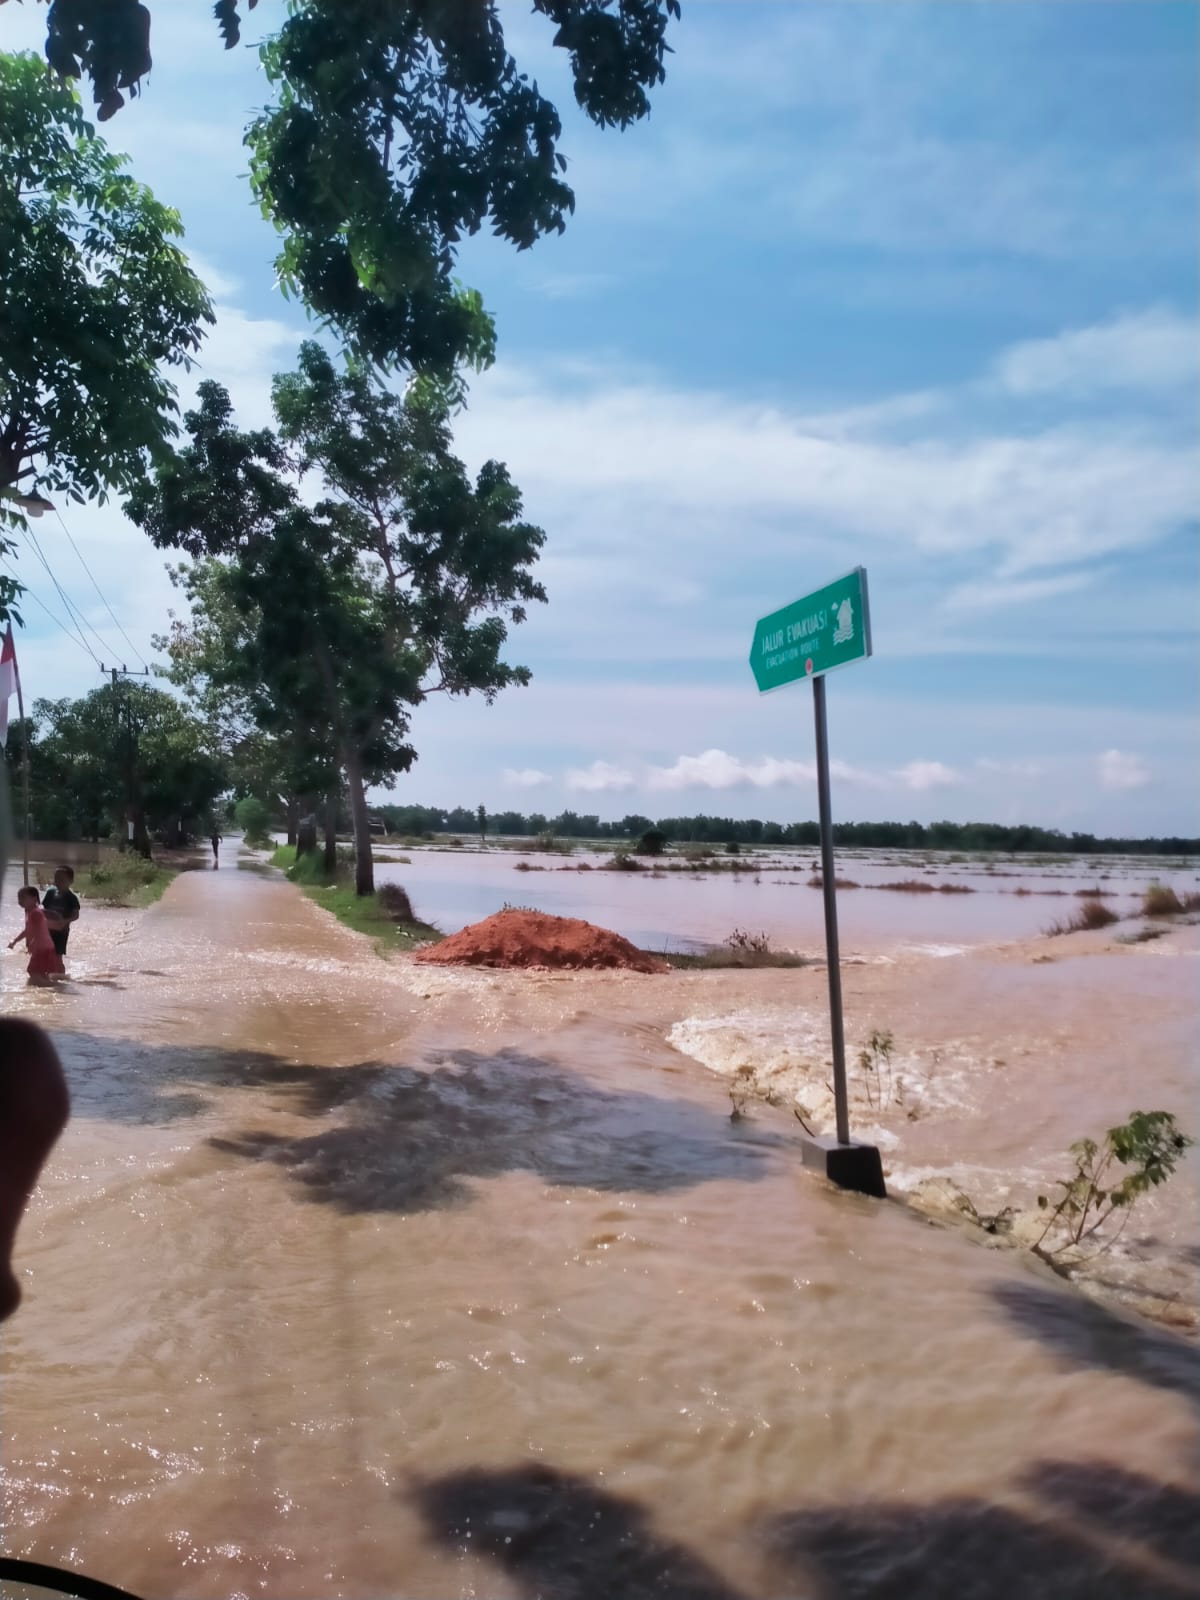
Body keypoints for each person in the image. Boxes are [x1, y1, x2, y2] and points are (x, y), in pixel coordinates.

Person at [8, 885, 65, 983]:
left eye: (23, 898)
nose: (20, 901)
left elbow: (31, 931)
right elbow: (35, 930)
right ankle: (53, 989)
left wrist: (20, 942)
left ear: (34, 898)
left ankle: (54, 988)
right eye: (19, 898)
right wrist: (17, 942)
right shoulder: (34, 912)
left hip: (42, 948)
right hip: (45, 947)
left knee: (33, 972)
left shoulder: (35, 913)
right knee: (41, 974)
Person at [42, 864, 81, 964]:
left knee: (57, 956)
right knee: (44, 954)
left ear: (70, 881)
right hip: (47, 929)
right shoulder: (50, 893)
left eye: (62, 879)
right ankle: (47, 977)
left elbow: (76, 915)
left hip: (61, 932)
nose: (58, 882)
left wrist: (64, 921)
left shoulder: (71, 898)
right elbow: (43, 909)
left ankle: (61, 977)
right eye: (56, 879)